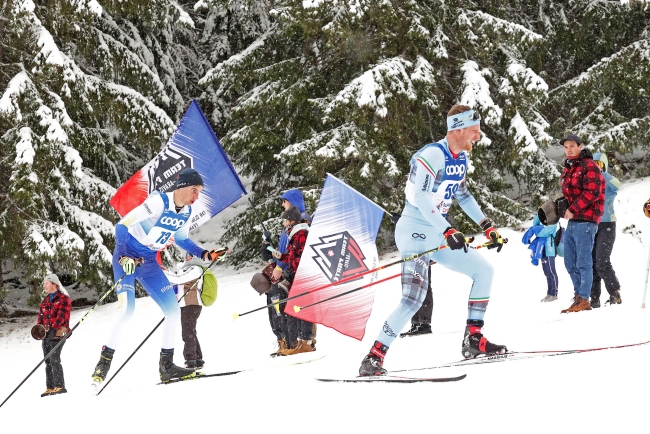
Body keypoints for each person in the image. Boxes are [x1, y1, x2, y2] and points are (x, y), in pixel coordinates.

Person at [358, 105, 507, 377]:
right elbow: (423, 198)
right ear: (458, 129)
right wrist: (448, 229)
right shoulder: (432, 155)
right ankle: (373, 357)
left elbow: (462, 195)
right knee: (412, 300)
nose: (478, 136)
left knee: (484, 271)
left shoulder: (459, 158)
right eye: (474, 131)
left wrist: (487, 226)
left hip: (438, 233)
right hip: (414, 231)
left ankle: (473, 339)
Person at [91, 167, 227, 385]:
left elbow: (181, 239)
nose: (196, 196)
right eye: (194, 190)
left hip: (147, 262)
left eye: (199, 192)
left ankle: (166, 366)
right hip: (125, 257)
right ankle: (103, 364)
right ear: (182, 186)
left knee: (173, 310)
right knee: (127, 310)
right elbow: (122, 224)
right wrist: (124, 255)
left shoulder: (186, 212)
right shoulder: (158, 202)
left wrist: (205, 253)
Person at [558, 134, 605, 313]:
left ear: (580, 146)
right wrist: (561, 205)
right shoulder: (569, 167)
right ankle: (578, 296)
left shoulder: (589, 166)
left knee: (583, 262)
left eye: (572, 146)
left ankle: (585, 299)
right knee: (570, 261)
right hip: (573, 219)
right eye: (566, 147)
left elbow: (592, 192)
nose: (569, 149)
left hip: (587, 219)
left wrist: (573, 208)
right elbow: (571, 192)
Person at [272, 205, 315, 355]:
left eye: (285, 221)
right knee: (297, 307)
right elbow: (293, 256)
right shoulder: (295, 234)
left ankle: (306, 342)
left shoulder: (301, 233)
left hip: (303, 275)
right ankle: (300, 341)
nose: (283, 224)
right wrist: (282, 257)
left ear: (291, 221)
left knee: (303, 307)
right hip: (298, 275)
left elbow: (302, 257)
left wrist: (291, 263)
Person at [590, 153, 622, 308]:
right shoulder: (590, 182)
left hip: (608, 224)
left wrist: (603, 172)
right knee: (591, 262)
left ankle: (615, 293)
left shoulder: (608, 181)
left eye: (599, 164)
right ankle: (594, 298)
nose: (596, 166)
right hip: (592, 224)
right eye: (594, 163)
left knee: (602, 261)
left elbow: (618, 185)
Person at [36, 274, 71, 397]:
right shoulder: (45, 301)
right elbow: (40, 317)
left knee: (54, 359)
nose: (44, 285)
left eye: (47, 283)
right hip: (46, 333)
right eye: (44, 283)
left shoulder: (63, 298)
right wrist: (39, 329)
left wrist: (53, 328)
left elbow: (62, 316)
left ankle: (60, 386)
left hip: (58, 333)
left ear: (54, 284)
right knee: (47, 360)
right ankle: (50, 387)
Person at [522, 215, 560, 302]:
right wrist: (540, 213)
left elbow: (542, 233)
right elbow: (535, 222)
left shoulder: (553, 223)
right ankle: (549, 293)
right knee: (547, 272)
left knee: (551, 272)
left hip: (550, 251)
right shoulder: (543, 224)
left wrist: (535, 230)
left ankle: (554, 294)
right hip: (542, 250)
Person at [399, 264, 434, 337]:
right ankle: (416, 323)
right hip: (410, 259)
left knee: (423, 287)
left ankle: (424, 324)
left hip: (422, 260)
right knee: (412, 288)